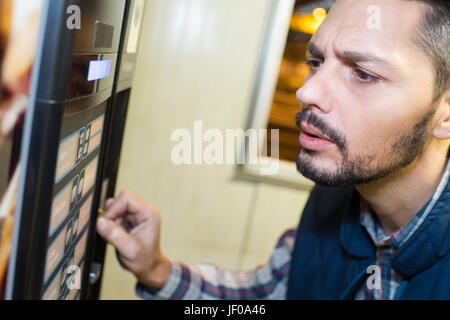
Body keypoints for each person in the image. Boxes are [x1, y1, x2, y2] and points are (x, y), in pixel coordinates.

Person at [96, 0, 450, 299]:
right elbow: (265, 294)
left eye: (363, 73)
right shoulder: (334, 199)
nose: (307, 93)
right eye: (316, 63)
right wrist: (157, 269)